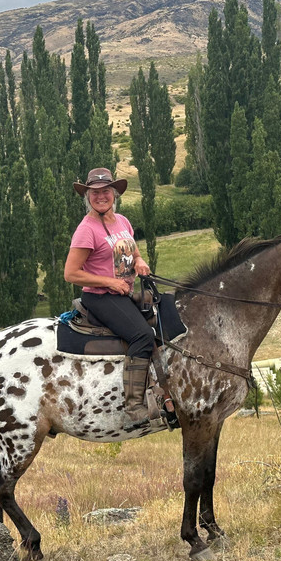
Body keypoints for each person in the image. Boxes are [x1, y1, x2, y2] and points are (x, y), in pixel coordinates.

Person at [64, 167, 155, 426]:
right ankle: (134, 406)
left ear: (114, 194)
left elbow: (133, 252)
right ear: (88, 196)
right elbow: (71, 274)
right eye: (95, 192)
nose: (100, 196)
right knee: (142, 335)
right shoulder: (86, 229)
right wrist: (110, 282)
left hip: (123, 293)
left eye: (105, 191)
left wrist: (140, 261)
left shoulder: (123, 221)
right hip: (101, 297)